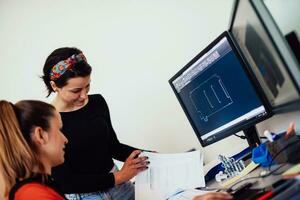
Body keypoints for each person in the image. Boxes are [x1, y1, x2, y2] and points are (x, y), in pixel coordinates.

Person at [41, 47, 149, 200]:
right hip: (85, 195)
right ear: (54, 86)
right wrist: (119, 177)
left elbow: (112, 146)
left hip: (120, 187)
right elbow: (66, 182)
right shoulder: (46, 122)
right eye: (76, 90)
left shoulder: (97, 102)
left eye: (87, 86)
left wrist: (148, 156)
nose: (84, 96)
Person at [0, 100, 68, 199]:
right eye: (59, 129)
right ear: (40, 135)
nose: (65, 140)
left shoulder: (34, 190)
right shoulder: (35, 195)